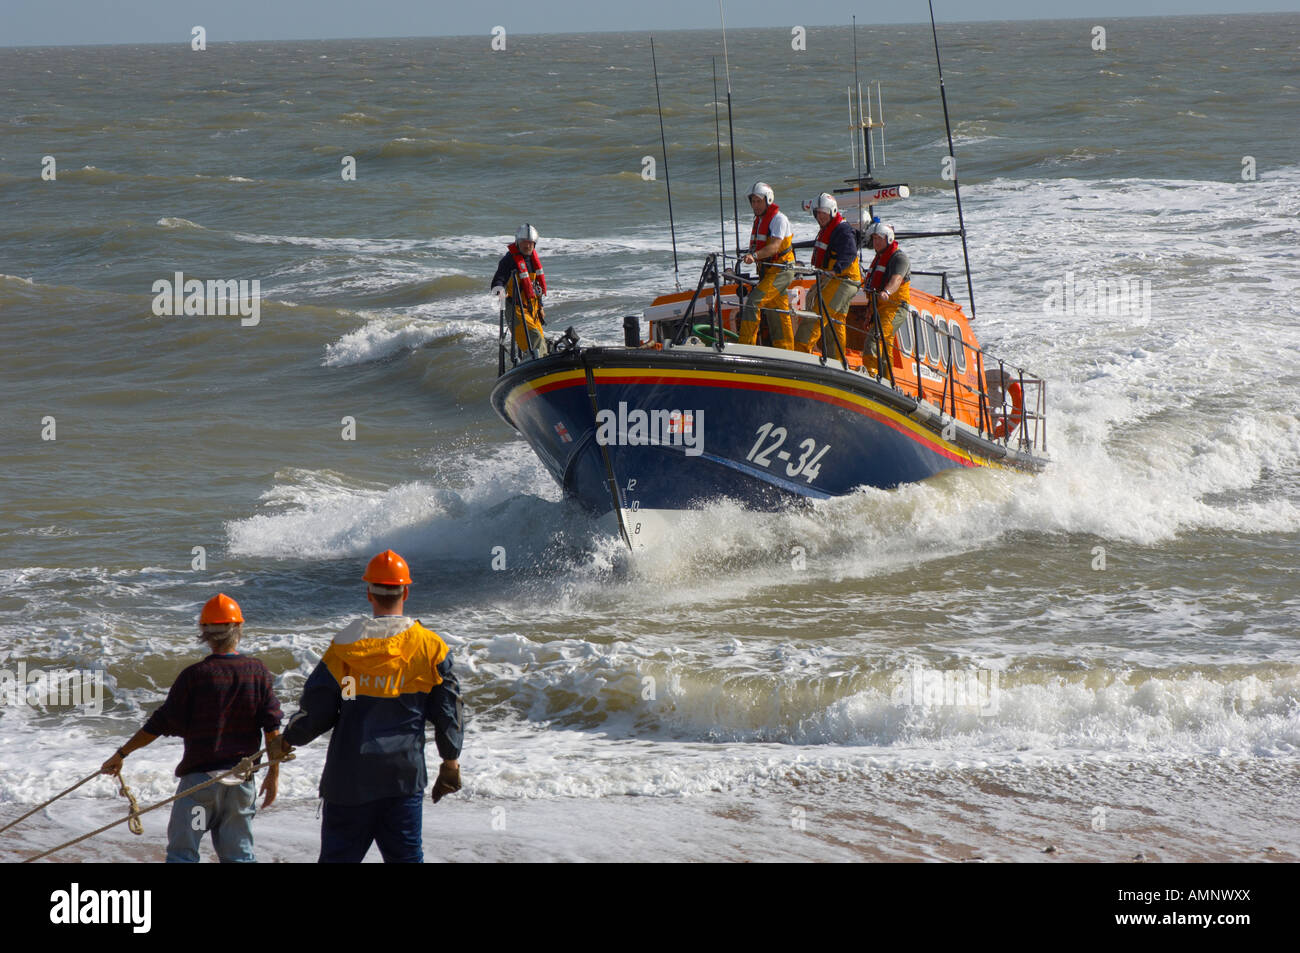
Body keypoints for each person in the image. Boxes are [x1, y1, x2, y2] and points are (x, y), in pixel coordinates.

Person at [279, 549, 463, 863]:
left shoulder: (345, 646)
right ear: (406, 590)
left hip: (349, 777)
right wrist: (450, 763)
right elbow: (447, 714)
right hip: (403, 776)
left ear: (369, 593)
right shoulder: (431, 647)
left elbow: (317, 712)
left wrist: (286, 740)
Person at [100, 593, 283, 863]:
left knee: (183, 856)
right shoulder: (258, 672)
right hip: (241, 785)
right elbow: (273, 730)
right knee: (239, 857)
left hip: (200, 788)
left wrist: (122, 754)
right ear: (239, 629)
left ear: (204, 634)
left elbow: (159, 724)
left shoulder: (195, 676)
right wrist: (273, 775)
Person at [795, 192, 862, 359]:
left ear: (832, 212)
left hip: (842, 280)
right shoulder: (829, 229)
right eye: (817, 213)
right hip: (838, 279)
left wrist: (834, 271)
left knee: (817, 315)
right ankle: (837, 361)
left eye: (823, 212)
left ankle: (800, 352)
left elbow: (849, 253)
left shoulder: (843, 230)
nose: (819, 216)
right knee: (835, 322)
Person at [738, 182, 796, 350]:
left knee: (753, 302)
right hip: (768, 270)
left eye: (758, 201)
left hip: (781, 270)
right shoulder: (759, 220)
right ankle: (786, 350)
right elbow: (759, 245)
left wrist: (754, 256)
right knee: (777, 312)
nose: (755, 205)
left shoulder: (779, 219)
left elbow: (774, 247)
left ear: (768, 200)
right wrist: (750, 253)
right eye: (753, 202)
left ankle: (746, 346)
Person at [491, 223, 549, 358]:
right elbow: (497, 282)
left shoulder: (533, 261)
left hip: (532, 310)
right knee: (535, 340)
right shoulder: (508, 260)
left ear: (535, 244)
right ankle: (539, 369)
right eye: (523, 242)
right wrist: (500, 291)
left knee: (541, 341)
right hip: (516, 310)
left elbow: (536, 287)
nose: (527, 245)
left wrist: (540, 306)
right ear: (517, 242)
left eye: (530, 242)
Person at [861, 221, 911, 375]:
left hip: (894, 306)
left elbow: (896, 279)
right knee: (886, 346)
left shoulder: (899, 258)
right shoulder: (879, 258)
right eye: (874, 239)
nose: (875, 242)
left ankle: (870, 373)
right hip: (879, 307)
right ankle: (887, 380)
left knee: (876, 337)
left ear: (888, 239)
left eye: (879, 239)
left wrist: (887, 292)